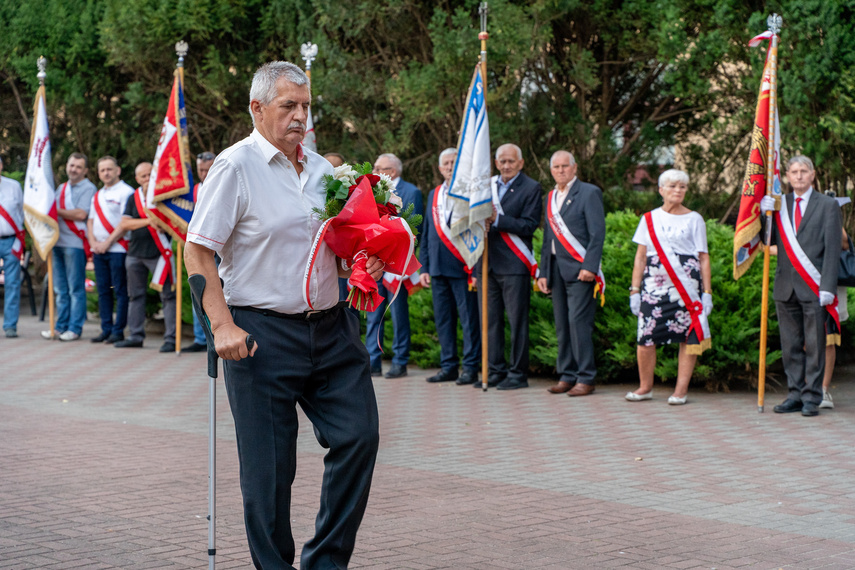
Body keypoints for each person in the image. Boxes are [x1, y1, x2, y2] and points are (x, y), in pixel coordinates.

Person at [184, 61, 381, 569]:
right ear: (257, 108)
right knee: (270, 474)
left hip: (333, 330)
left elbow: (337, 246)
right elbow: (199, 252)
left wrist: (365, 259)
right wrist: (221, 324)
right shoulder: (234, 167)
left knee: (358, 438)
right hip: (260, 335)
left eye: (305, 106)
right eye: (288, 105)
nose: (299, 116)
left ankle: (325, 562)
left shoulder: (323, 172)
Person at [760, 156, 842, 417]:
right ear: (786, 176)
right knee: (790, 345)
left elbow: (832, 250)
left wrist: (828, 286)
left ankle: (812, 397)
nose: (798, 176)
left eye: (803, 171)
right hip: (786, 285)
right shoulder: (779, 204)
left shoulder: (828, 205)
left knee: (816, 346)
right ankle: (794, 394)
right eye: (793, 172)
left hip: (815, 286)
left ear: (813, 175)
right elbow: (768, 240)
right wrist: (765, 216)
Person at [626, 169, 712, 405]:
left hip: (687, 287)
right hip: (655, 284)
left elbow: (703, 257)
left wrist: (707, 293)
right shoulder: (649, 218)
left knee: (687, 337)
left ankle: (680, 390)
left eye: (682, 187)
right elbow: (640, 257)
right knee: (646, 337)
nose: (678, 191)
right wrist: (635, 290)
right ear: (661, 190)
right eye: (673, 186)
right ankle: (645, 387)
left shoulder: (695, 219)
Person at [537, 150, 605, 396]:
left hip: (579, 270)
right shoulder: (551, 196)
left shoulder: (589, 193)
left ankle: (586, 378)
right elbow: (547, 238)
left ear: (574, 168)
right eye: (556, 167)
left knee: (578, 323)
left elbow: (598, 234)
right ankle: (567, 375)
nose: (561, 170)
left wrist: (590, 266)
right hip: (555, 269)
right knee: (562, 325)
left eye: (565, 166)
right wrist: (543, 271)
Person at [477, 143, 543, 390]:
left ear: (521, 163)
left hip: (515, 264)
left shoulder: (531, 187)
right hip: (488, 264)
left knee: (517, 322)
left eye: (511, 161)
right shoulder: (487, 186)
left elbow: (529, 225)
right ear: (496, 163)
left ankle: (517, 373)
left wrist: (498, 219)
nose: (506, 165)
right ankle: (495, 370)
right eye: (502, 161)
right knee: (490, 322)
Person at [97, 162, 176, 352]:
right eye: (143, 176)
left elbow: (173, 222)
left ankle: (171, 338)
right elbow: (125, 224)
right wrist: (149, 221)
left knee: (167, 296)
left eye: (150, 175)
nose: (147, 179)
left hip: (159, 253)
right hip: (135, 253)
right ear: (137, 179)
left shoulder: (164, 196)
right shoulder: (134, 197)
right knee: (135, 296)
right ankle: (135, 335)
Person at [419, 148, 480, 385]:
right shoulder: (434, 194)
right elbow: (426, 234)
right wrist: (424, 267)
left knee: (468, 320)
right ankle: (449, 366)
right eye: (446, 163)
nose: (450, 166)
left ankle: (471, 367)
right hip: (436, 268)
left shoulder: (470, 193)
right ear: (439, 167)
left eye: (454, 162)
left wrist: (474, 268)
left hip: (463, 266)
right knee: (444, 321)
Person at [364, 152, 424, 378]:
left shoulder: (411, 192)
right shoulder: (372, 190)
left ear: (392, 171)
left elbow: (415, 228)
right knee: (373, 314)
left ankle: (400, 360)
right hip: (374, 262)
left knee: (398, 314)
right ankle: (373, 360)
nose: (375, 171)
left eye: (379, 167)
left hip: (397, 264)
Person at [40, 153, 98, 341]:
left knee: (75, 289)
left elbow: (81, 214)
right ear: (67, 165)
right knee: (60, 289)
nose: (74, 169)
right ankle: (59, 327)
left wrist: (53, 210)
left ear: (85, 170)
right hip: (57, 243)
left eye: (78, 167)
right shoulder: (61, 188)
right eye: (72, 165)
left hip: (75, 244)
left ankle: (74, 328)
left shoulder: (89, 188)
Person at [87, 156, 134, 343]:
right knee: (103, 290)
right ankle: (106, 328)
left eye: (109, 169)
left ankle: (118, 330)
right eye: (102, 170)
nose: (106, 173)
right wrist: (93, 243)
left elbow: (124, 223)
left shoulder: (126, 192)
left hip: (118, 249)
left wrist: (107, 243)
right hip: (99, 250)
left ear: (118, 170)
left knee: (120, 290)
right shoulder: (97, 195)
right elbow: (90, 221)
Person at [184, 151, 217, 353]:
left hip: (220, 251)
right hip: (198, 250)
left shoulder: (222, 186)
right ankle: (201, 338)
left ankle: (219, 334)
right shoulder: (194, 191)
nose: (204, 174)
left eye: (207, 169)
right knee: (198, 292)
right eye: (201, 170)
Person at [0, 156, 25, 338]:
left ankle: (10, 325)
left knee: (12, 283)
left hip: (10, 240)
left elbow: (22, 213)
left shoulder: (14, 186)